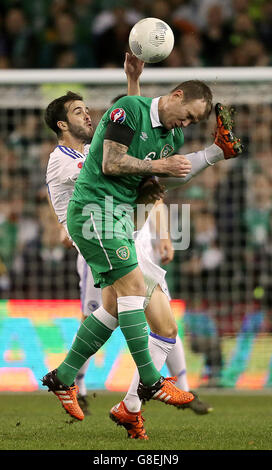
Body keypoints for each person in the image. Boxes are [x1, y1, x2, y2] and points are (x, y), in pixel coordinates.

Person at [43, 57, 243, 438]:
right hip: (94, 218)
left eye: (193, 123)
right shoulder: (63, 158)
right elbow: (115, 157)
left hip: (125, 226)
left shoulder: (169, 137)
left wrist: (211, 155)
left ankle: (84, 384)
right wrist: (158, 166)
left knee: (153, 321)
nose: (186, 125)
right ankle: (151, 381)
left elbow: (154, 166)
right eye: (79, 111)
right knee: (132, 294)